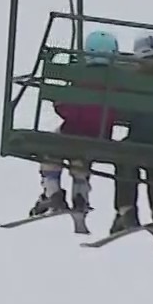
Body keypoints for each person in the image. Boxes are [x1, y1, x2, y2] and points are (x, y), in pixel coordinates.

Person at [29, 30, 118, 218]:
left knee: (52, 148)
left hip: (72, 132)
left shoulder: (80, 77)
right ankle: (81, 193)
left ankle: (52, 192)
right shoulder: (118, 81)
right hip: (100, 136)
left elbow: (62, 106)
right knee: (80, 156)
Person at [111, 34, 153, 236]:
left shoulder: (134, 81)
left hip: (138, 141)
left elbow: (120, 110)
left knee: (126, 154)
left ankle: (126, 210)